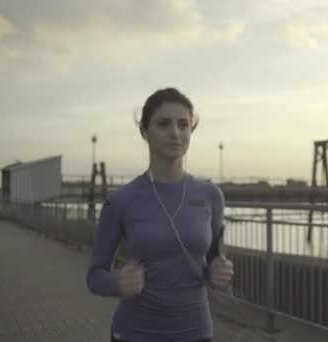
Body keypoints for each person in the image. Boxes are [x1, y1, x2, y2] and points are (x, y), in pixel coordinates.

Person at [86, 87, 234, 342]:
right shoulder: (119, 200)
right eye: (163, 124)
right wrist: (117, 283)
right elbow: (95, 275)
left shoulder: (211, 195)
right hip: (135, 333)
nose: (175, 133)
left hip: (196, 332)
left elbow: (212, 264)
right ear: (145, 132)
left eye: (183, 125)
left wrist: (219, 274)